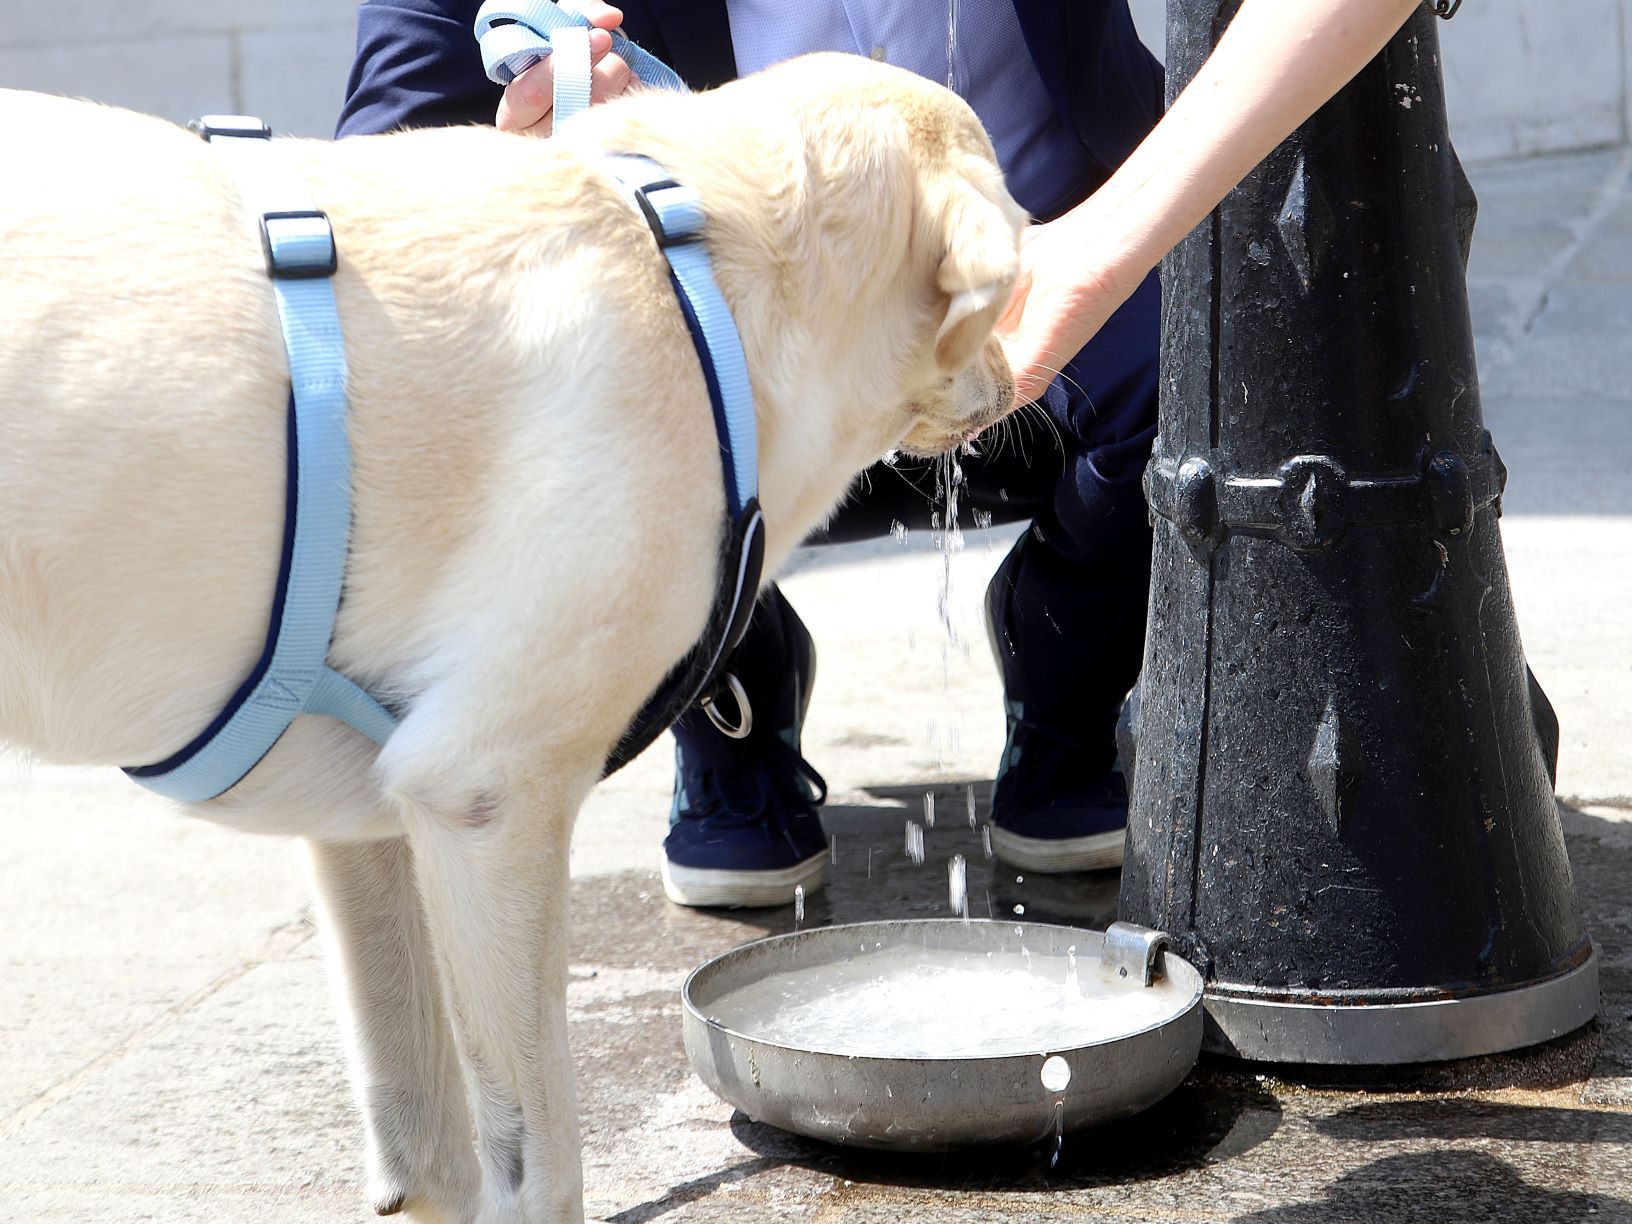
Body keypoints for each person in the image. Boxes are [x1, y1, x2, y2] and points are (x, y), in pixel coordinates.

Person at [336, 0, 1425, 909]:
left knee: (1203, 374)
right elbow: (377, 177)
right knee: (606, 395)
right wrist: (512, 168)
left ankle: (1067, 707)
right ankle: (731, 722)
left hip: (1041, 279)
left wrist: (1103, 248)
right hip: (734, 352)